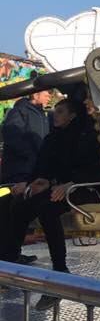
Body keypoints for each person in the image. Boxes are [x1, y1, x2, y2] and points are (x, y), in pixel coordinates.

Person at [0, 96, 100, 309]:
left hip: (84, 188)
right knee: (15, 203)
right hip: (56, 187)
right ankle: (8, 261)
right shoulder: (52, 138)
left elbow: (94, 169)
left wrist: (69, 183)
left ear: (72, 115)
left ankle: (60, 270)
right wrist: (35, 182)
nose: (54, 115)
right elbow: (44, 167)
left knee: (47, 210)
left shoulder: (86, 137)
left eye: (60, 112)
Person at [0, 89, 52, 266]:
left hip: (32, 171)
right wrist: (30, 154)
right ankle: (7, 255)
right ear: (34, 95)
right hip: (18, 171)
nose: (49, 96)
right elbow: (11, 135)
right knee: (9, 214)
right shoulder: (20, 111)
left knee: (19, 214)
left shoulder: (42, 114)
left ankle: (12, 253)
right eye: (46, 93)